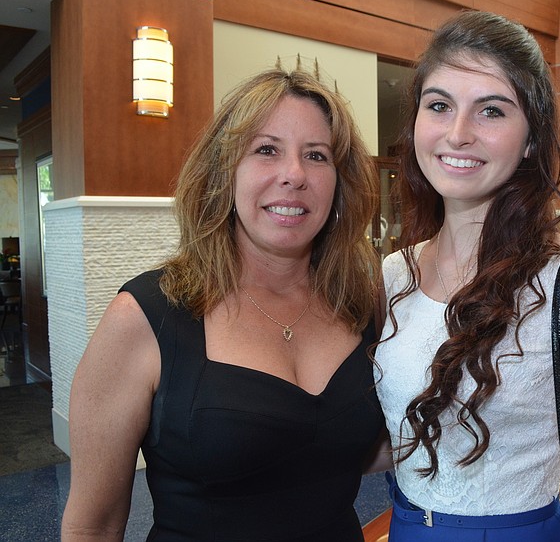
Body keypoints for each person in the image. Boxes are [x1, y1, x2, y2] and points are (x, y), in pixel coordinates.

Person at [61, 66, 386, 541]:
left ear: (339, 183)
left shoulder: (360, 304)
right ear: (224, 172)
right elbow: (93, 525)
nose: (294, 175)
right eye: (266, 150)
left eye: (316, 155)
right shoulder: (147, 316)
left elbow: (344, 446)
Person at [373, 10, 560, 541]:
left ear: (531, 139)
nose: (458, 132)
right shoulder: (393, 272)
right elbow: (393, 439)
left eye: (491, 111)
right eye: (439, 105)